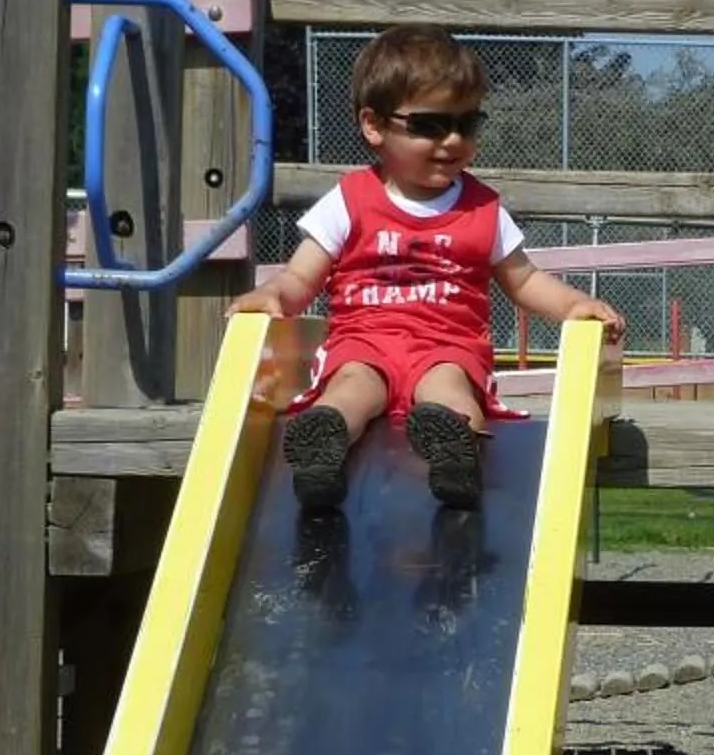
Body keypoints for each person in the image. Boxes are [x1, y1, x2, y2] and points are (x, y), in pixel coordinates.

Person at [233, 26, 623, 510]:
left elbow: (523, 278)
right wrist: (275, 296)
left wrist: (574, 305)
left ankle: (453, 455)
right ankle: (322, 450)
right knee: (351, 388)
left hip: (448, 344)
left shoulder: (482, 209)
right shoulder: (350, 200)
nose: (452, 139)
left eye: (467, 124)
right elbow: (300, 276)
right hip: (363, 340)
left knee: (449, 389)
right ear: (374, 125)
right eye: (430, 126)